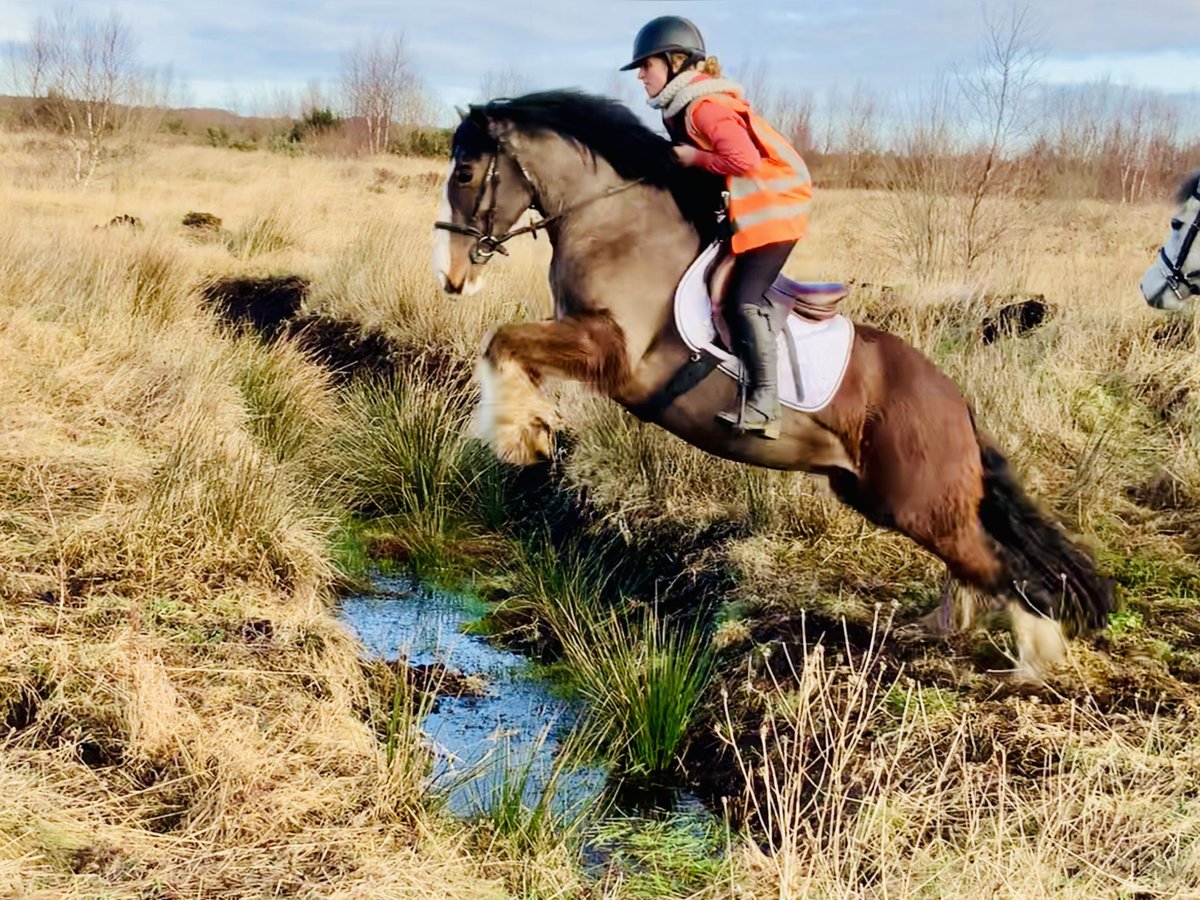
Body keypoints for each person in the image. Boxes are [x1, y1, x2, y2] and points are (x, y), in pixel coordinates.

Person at [622, 16, 812, 439]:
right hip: (752, 213)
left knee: (742, 299)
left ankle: (765, 402)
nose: (639, 75)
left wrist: (694, 159)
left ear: (674, 63)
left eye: (645, 65)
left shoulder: (705, 108)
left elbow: (743, 161)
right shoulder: (682, 108)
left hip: (776, 215)